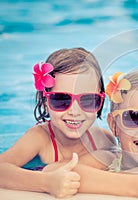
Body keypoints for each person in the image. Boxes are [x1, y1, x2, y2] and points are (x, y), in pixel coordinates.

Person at [0, 47, 115, 198]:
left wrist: (84, 162)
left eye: (87, 100)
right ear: (45, 100)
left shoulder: (103, 139)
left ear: (100, 100)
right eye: (61, 99)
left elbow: (116, 158)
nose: (75, 111)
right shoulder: (39, 138)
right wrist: (46, 182)